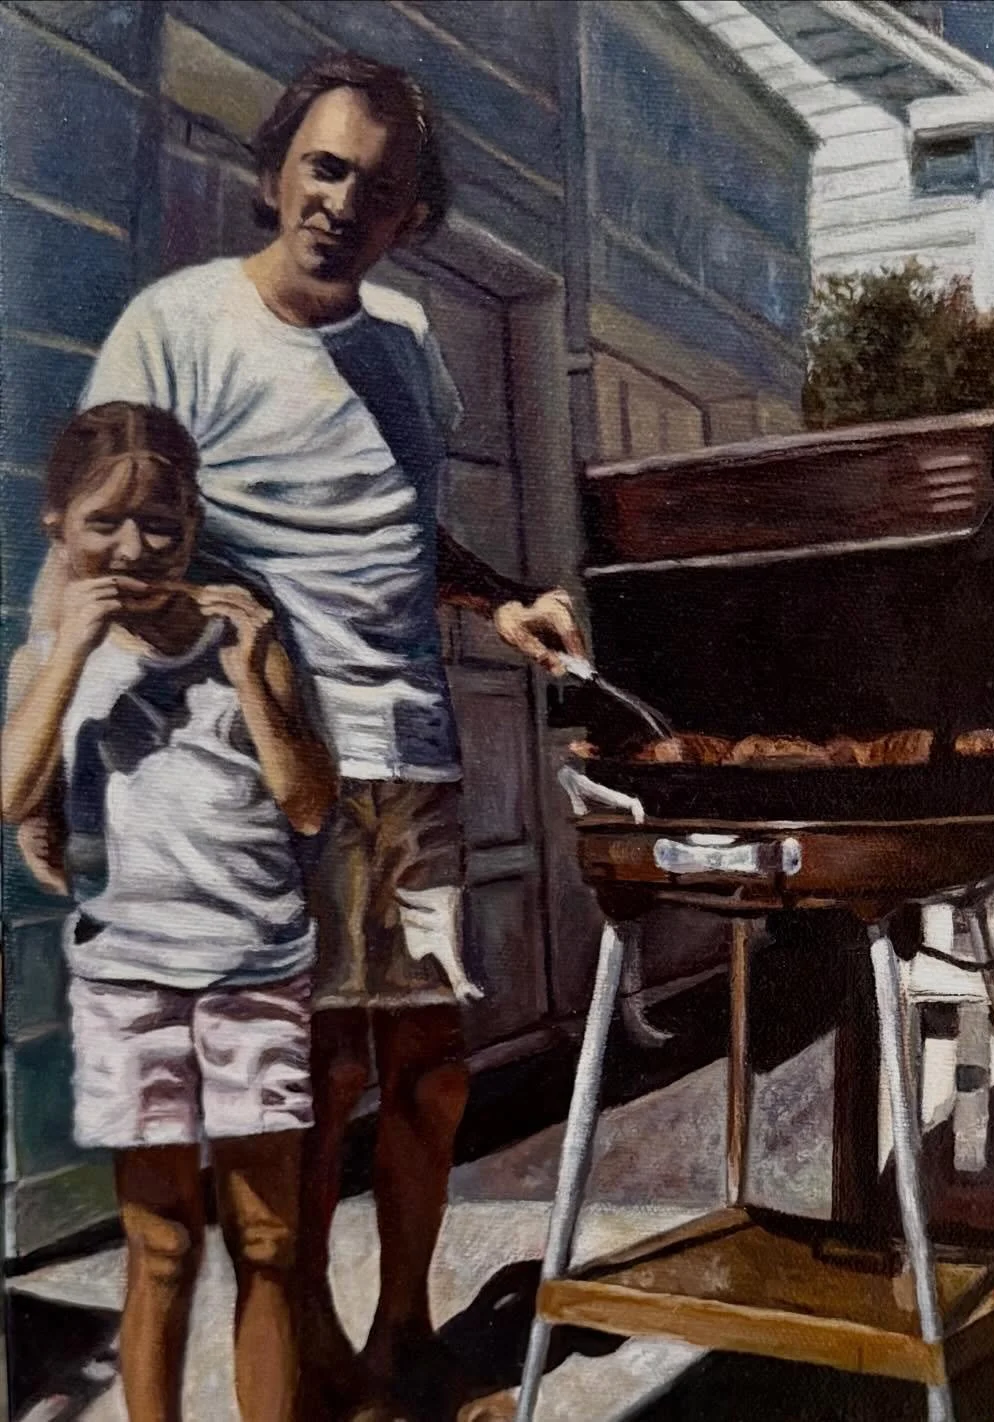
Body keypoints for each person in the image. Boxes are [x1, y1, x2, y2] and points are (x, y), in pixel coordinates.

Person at [19, 51, 588, 1420]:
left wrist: (503, 601)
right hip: (274, 764)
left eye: (378, 189)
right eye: (324, 168)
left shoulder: (406, 346)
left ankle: (406, 1336)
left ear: (410, 217)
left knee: (430, 1074)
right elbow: (90, 533)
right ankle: (316, 1347)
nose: (342, 202)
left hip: (415, 759)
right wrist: (38, 749)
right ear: (276, 170)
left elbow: (400, 536)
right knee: (318, 1079)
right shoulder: (178, 324)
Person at [2, 402, 337, 1422]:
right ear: (58, 524)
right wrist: (70, 651)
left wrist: (249, 678)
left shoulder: (246, 636)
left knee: (269, 1241)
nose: (137, 548)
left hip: (255, 967)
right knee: (158, 1246)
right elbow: (10, 796)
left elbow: (309, 804)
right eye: (105, 522)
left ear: (193, 523)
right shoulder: (50, 657)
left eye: (162, 524)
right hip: (126, 982)